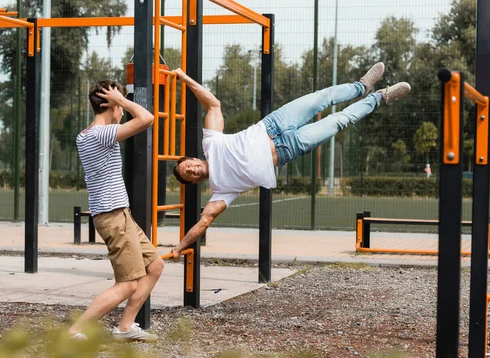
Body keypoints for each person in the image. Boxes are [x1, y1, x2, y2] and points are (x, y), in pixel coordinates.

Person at [170, 63, 411, 259]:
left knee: (321, 97)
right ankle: (380, 98)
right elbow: (204, 222)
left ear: (193, 158)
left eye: (188, 165)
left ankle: (361, 86)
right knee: (339, 121)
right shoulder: (221, 191)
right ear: (193, 182)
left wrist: (184, 77)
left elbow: (213, 104)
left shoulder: (210, 143)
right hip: (289, 148)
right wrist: (180, 247)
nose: (191, 170)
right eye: (188, 174)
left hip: (274, 123)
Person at [69, 80, 164, 342]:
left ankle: (124, 327)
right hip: (113, 217)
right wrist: (121, 100)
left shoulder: (85, 134)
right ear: (112, 105)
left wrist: (118, 100)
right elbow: (147, 118)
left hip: (119, 214)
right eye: (119, 104)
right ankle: (74, 331)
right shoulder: (101, 134)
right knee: (128, 283)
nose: (122, 110)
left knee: (154, 265)